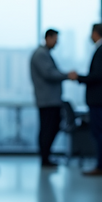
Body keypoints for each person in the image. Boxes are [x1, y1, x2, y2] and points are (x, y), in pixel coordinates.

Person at [68, 23, 102, 176]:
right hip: (100, 99)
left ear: (95, 33)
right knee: (101, 132)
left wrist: (79, 78)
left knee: (100, 133)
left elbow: (97, 76)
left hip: (98, 99)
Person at [30, 29, 68, 167]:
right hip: (47, 100)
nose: (56, 43)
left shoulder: (44, 54)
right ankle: (45, 158)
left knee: (51, 127)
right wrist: (67, 75)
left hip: (50, 99)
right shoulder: (41, 54)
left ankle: (46, 157)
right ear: (48, 38)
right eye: (55, 40)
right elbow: (49, 74)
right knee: (47, 129)